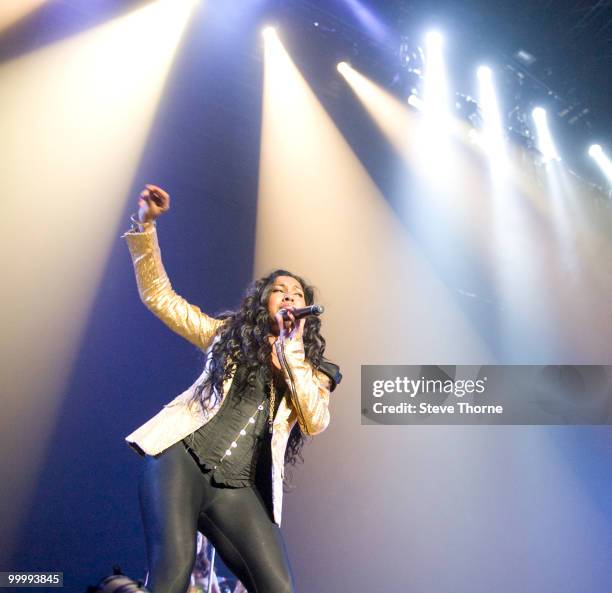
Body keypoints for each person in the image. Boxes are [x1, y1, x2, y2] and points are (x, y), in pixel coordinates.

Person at [122, 185, 341, 593]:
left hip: (237, 488)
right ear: (265, 301)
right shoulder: (227, 337)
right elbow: (159, 297)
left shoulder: (314, 372)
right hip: (181, 459)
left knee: (279, 587)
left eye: (298, 294)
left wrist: (289, 350)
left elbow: (314, 422)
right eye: (281, 290)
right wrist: (146, 224)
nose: (290, 296)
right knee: (173, 573)